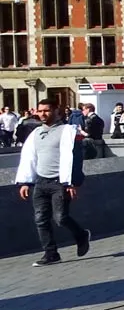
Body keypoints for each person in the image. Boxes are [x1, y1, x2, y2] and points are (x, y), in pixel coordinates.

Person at [15, 99, 90, 267]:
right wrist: (25, 182)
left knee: (61, 218)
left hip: (60, 182)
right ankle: (51, 254)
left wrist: (73, 182)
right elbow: (29, 158)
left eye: (46, 111)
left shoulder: (68, 131)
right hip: (41, 182)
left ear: (56, 111)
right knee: (40, 219)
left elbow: (76, 158)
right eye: (40, 111)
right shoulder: (35, 133)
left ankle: (81, 235)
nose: (42, 114)